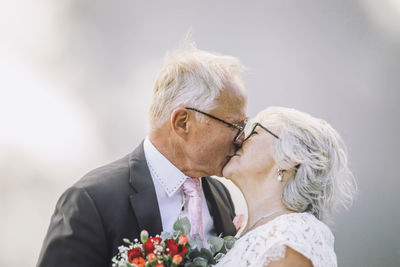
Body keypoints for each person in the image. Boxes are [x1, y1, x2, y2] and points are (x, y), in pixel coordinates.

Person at [37, 44, 248, 267]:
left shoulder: (220, 195)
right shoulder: (91, 201)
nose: (241, 139)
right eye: (234, 125)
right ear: (182, 122)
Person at [216, 107, 356, 267]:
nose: (240, 139)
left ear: (289, 158)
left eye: (254, 132)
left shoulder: (294, 236)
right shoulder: (245, 231)